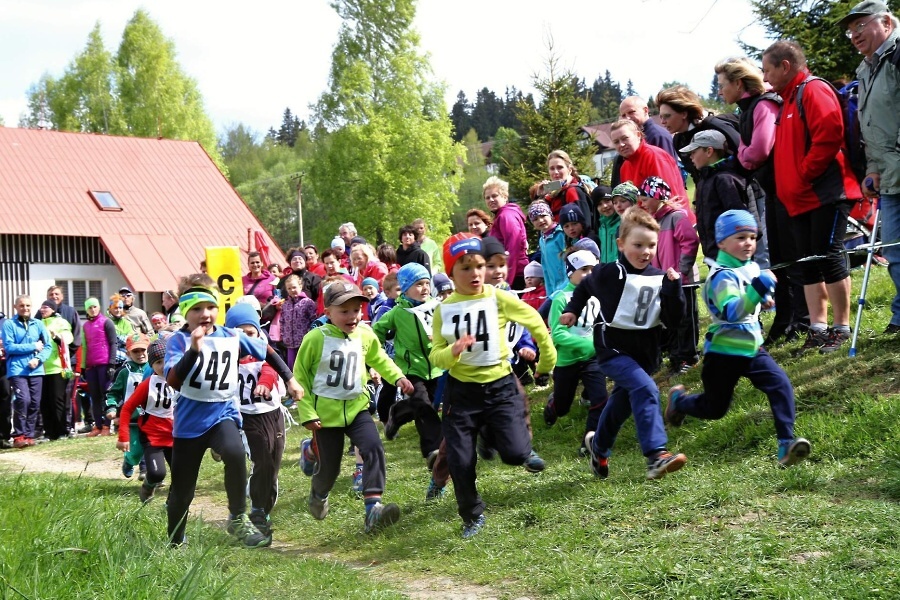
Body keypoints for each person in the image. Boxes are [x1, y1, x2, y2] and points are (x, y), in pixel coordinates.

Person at [430, 233, 557, 538]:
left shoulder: (498, 297)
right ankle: (472, 516)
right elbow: (435, 355)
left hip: (500, 386)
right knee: (460, 460)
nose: (475, 273)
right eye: (465, 268)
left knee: (515, 454)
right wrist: (453, 351)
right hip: (461, 394)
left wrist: (546, 361)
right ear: (451, 273)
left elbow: (535, 322)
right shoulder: (443, 310)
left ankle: (490, 433)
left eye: (479, 266)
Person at [164, 273, 304, 548]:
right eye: (197, 309)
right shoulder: (178, 341)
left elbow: (266, 350)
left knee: (235, 452)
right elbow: (173, 380)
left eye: (210, 307)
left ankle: (238, 517)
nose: (205, 314)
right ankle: (175, 540)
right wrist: (194, 350)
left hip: (223, 414)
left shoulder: (231, 335)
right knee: (182, 491)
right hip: (190, 424)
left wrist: (289, 378)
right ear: (185, 311)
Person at [667, 210, 812, 467]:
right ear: (722, 242)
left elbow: (750, 297)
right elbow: (731, 312)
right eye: (740, 237)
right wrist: (759, 289)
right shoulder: (722, 275)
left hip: (753, 348)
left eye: (752, 238)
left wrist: (763, 299)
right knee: (715, 409)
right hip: (723, 352)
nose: (748, 243)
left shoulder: (750, 267)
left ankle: (786, 445)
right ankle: (680, 403)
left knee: (780, 385)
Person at [561, 208, 686, 481]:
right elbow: (584, 287)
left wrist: (674, 290)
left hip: (645, 354)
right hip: (613, 349)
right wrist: (572, 309)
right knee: (646, 388)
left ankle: (598, 447)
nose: (645, 252)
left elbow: (674, 321)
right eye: (637, 245)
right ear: (621, 244)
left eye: (651, 245)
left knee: (621, 403)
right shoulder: (609, 272)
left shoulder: (660, 277)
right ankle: (656, 455)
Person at [762, 40, 863, 354]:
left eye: (767, 70)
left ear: (785, 66)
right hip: (799, 199)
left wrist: (804, 175)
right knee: (806, 263)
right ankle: (818, 329)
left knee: (827, 258)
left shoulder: (813, 89)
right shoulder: (787, 99)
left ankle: (841, 328)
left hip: (825, 194)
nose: (764, 78)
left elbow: (828, 136)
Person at [294, 281, 414, 533]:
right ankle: (318, 490)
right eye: (344, 311)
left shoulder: (365, 334)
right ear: (328, 312)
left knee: (373, 448)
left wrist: (398, 377)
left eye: (357, 310)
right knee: (330, 468)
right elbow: (300, 377)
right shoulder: (315, 339)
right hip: (325, 416)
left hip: (357, 408)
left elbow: (379, 358)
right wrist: (307, 413)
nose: (353, 316)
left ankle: (373, 509)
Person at [715, 56, 809, 345]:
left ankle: (802, 319)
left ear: (738, 83)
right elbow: (747, 149)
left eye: (722, 84)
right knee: (778, 257)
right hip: (771, 188)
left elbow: (758, 151)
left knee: (791, 255)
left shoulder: (763, 105)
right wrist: (745, 152)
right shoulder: (746, 110)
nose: (719, 91)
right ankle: (785, 319)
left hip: (784, 187)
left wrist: (743, 154)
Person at [840, 1, 900, 334]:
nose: (854, 35)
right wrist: (874, 168)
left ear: (886, 23)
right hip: (889, 176)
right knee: (892, 248)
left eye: (861, 26)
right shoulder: (865, 69)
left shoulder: (898, 56)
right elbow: (872, 126)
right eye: (851, 30)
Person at [225, 303, 290, 544]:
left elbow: (270, 369)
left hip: (272, 413)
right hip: (246, 417)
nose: (246, 339)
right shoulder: (227, 357)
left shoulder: (263, 349)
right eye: (239, 334)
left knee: (272, 467)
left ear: (258, 331)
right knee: (262, 461)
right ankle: (256, 512)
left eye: (250, 333)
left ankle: (261, 509)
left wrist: (264, 383)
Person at [372, 263, 444, 465]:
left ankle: (397, 414)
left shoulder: (435, 307)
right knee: (424, 407)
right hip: (411, 369)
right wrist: (377, 353)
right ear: (405, 288)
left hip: (436, 367)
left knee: (424, 405)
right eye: (418, 284)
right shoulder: (398, 312)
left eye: (427, 283)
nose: (425, 288)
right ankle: (433, 450)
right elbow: (376, 331)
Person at [546, 250, 608, 455]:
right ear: (570, 272)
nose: (589, 274)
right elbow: (557, 334)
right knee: (563, 407)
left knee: (600, 399)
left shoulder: (598, 295)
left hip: (592, 360)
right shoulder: (561, 298)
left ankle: (590, 443)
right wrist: (587, 345)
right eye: (584, 269)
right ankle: (553, 405)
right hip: (567, 361)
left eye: (593, 269)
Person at [637, 176, 700, 374]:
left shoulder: (676, 217)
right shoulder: (654, 222)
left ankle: (689, 356)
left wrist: (681, 271)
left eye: (645, 199)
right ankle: (676, 356)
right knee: (671, 320)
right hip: (665, 282)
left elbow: (690, 243)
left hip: (683, 281)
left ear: (657, 197)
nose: (642, 203)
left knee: (686, 320)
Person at [680, 130, 756, 262]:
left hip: (731, 256)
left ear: (709, 151)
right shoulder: (704, 180)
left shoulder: (725, 180)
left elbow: (740, 219)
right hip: (714, 255)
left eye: (694, 152)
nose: (690, 157)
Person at [116, 339, 174, 503]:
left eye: (167, 360)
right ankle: (148, 485)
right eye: (158, 362)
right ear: (151, 365)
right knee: (157, 473)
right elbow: (127, 408)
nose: (163, 365)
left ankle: (172, 504)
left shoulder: (182, 381)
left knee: (182, 473)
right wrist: (123, 437)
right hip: (152, 436)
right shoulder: (148, 385)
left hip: (176, 436)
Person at [610, 119, 695, 224]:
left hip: (674, 223)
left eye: (625, 138)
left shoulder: (654, 157)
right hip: (647, 225)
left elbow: (668, 200)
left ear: (638, 135)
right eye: (616, 142)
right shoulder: (624, 167)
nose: (621, 144)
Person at [2, 295, 52, 448]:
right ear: (15, 307)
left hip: (36, 370)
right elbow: (9, 347)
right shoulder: (9, 324)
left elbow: (48, 346)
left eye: (28, 305)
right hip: (17, 369)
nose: (25, 308)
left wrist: (38, 359)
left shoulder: (38, 324)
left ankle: (29, 435)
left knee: (35, 402)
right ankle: (19, 435)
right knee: (23, 400)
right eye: (22, 305)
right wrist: (33, 346)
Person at [105, 333, 151, 479]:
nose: (140, 354)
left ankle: (150, 473)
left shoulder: (156, 368)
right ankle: (129, 461)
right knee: (135, 452)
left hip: (152, 417)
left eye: (143, 350)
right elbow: (113, 392)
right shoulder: (125, 372)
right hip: (132, 419)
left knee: (152, 447)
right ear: (128, 353)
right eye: (135, 351)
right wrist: (112, 407)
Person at [612, 96, 678, 187]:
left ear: (645, 110)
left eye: (631, 112)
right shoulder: (625, 165)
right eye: (623, 115)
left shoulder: (657, 136)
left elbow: (668, 179)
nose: (627, 118)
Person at [80, 297, 117, 437]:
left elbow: (113, 343)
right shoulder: (85, 326)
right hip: (91, 365)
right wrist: (83, 366)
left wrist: (111, 363)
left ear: (99, 307)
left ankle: (107, 425)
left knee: (106, 394)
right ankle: (98, 425)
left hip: (104, 363)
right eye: (90, 307)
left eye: (95, 306)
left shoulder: (107, 322)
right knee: (94, 396)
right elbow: (84, 347)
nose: (93, 309)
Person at [484, 176, 529, 289]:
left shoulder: (506, 216)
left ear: (504, 197)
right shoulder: (501, 215)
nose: (491, 200)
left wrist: (507, 282)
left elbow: (513, 247)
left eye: (495, 196)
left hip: (516, 274)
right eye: (487, 197)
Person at [38, 300, 73, 441]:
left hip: (57, 367)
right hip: (40, 368)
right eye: (41, 307)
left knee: (57, 400)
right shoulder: (37, 323)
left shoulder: (60, 322)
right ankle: (49, 432)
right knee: (44, 401)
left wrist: (57, 337)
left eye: (46, 307)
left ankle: (62, 431)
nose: (42, 309)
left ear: (53, 309)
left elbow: (68, 338)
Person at [544, 149, 596, 232]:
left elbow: (585, 224)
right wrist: (539, 195)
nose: (556, 172)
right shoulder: (553, 192)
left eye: (560, 167)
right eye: (552, 168)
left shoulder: (572, 191)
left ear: (569, 169)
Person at [528, 200, 567, 297]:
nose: (540, 220)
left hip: (566, 286)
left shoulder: (560, 234)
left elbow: (567, 260)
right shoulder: (542, 240)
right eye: (535, 219)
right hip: (553, 288)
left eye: (543, 216)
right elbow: (545, 267)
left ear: (550, 215)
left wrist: (566, 285)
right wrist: (549, 291)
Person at [280, 273, 316, 370]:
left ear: (300, 286)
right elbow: (282, 321)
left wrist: (310, 335)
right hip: (290, 342)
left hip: (304, 341)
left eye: (294, 287)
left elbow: (313, 320)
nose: (292, 290)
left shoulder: (308, 302)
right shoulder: (285, 304)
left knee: (304, 366)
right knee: (292, 367)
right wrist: (283, 335)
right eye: (289, 288)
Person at [593, 185, 621, 263]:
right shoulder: (601, 227)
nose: (604, 206)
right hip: (605, 269)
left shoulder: (623, 223)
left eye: (607, 201)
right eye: (599, 204)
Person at [107, 294, 136, 364]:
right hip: (109, 359)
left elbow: (131, 339)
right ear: (110, 308)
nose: (118, 310)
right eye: (115, 308)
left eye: (120, 308)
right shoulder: (106, 321)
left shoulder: (126, 322)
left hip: (124, 359)